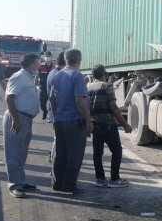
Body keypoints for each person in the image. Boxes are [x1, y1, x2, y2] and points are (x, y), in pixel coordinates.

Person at [49, 48, 93, 193]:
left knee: (61, 153)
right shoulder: (77, 76)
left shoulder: (58, 75)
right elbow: (79, 100)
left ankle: (58, 183)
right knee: (74, 154)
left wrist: (56, 117)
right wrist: (88, 120)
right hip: (74, 121)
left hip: (60, 120)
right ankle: (69, 184)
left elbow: (52, 99)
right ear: (79, 60)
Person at [3, 54, 42, 198]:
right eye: (38, 63)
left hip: (25, 118)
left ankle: (20, 181)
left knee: (21, 153)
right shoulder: (19, 76)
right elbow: (9, 97)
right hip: (18, 117)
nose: (39, 66)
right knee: (14, 153)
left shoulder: (27, 77)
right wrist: (15, 119)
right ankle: (15, 185)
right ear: (31, 63)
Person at [87, 64, 132, 187]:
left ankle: (100, 179)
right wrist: (125, 124)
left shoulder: (88, 87)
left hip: (94, 123)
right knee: (117, 151)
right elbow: (114, 108)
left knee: (97, 153)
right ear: (104, 74)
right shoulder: (107, 86)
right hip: (108, 123)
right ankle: (114, 179)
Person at [46, 51, 65, 163]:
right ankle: (54, 164)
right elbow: (55, 98)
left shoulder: (53, 72)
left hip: (55, 111)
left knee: (57, 138)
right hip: (58, 112)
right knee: (58, 140)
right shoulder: (58, 74)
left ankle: (52, 157)